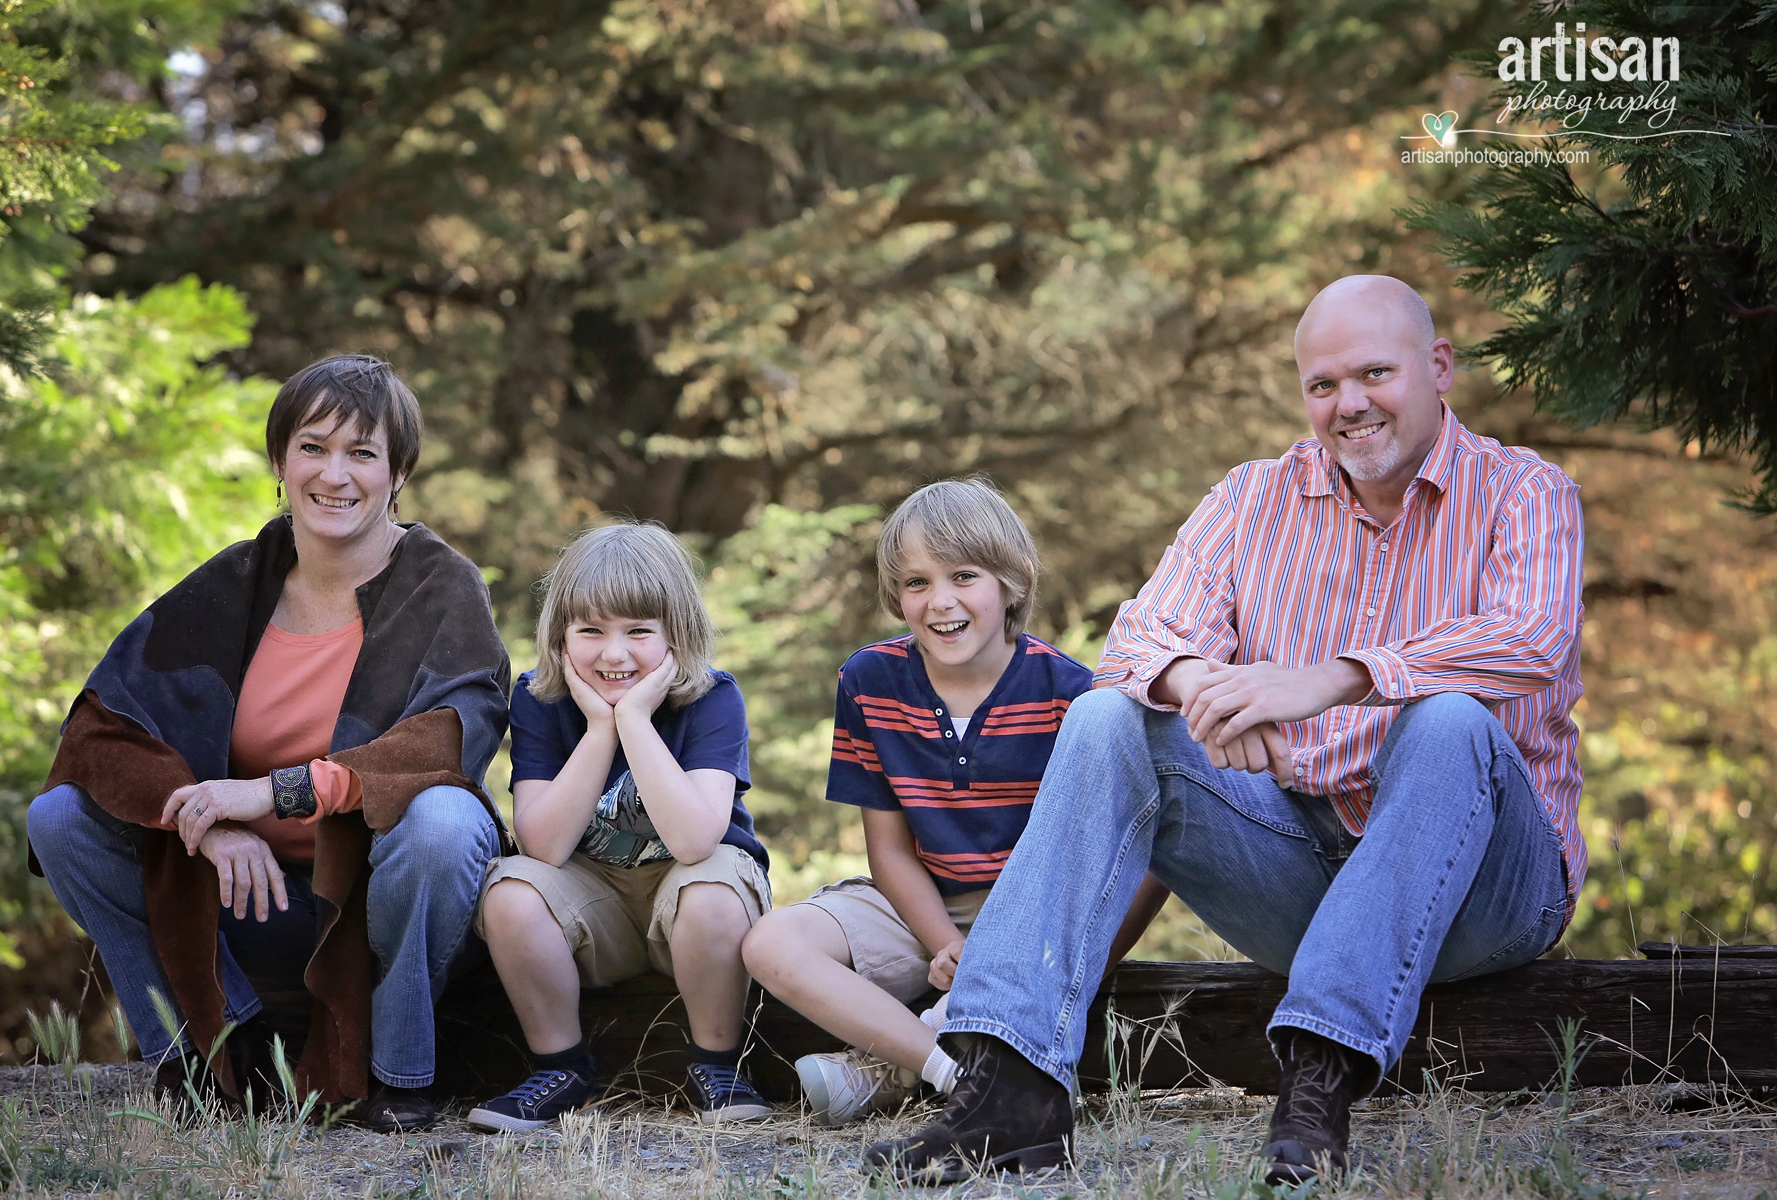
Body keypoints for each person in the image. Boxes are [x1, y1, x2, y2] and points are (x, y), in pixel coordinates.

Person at [868, 275, 1586, 1184]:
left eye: (1374, 373)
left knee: (1446, 722)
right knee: (1106, 716)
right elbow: (1137, 640)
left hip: (1488, 888)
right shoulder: (1254, 499)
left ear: (1438, 366)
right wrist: (1210, 689)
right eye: (1323, 385)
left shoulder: (1527, 491)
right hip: (1299, 872)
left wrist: (1327, 682)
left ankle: (1317, 1086)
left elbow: (1532, 640)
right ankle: (1008, 1087)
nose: (1349, 404)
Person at [27, 354, 512, 1132]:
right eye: (313, 447)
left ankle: (400, 1074)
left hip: (370, 906)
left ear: (399, 472)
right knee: (57, 819)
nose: (336, 474)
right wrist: (210, 824)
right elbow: (100, 730)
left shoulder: (441, 588)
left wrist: (272, 793)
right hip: (237, 902)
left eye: (363, 452)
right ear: (279, 463)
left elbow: (443, 745)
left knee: (446, 820)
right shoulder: (235, 585)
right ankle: (194, 1059)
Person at [742, 478, 1123, 1127]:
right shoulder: (869, 681)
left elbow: (1090, 860)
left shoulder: (1071, 695)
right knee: (771, 943)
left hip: (1029, 913)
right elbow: (888, 850)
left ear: (1012, 581)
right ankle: (949, 1072)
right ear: (897, 596)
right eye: (916, 583)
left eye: (964, 576)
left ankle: (883, 1072)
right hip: (918, 904)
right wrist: (944, 942)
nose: (939, 602)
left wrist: (989, 947)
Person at [466, 521, 774, 1132]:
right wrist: (599, 730)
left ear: (677, 638)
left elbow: (694, 840)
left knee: (711, 887)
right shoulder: (538, 700)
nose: (614, 654)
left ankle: (717, 1062)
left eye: (639, 631)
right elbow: (544, 844)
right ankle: (562, 1067)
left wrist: (633, 719)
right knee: (510, 891)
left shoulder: (713, 699)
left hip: (691, 898)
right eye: (591, 631)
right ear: (560, 638)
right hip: (591, 903)